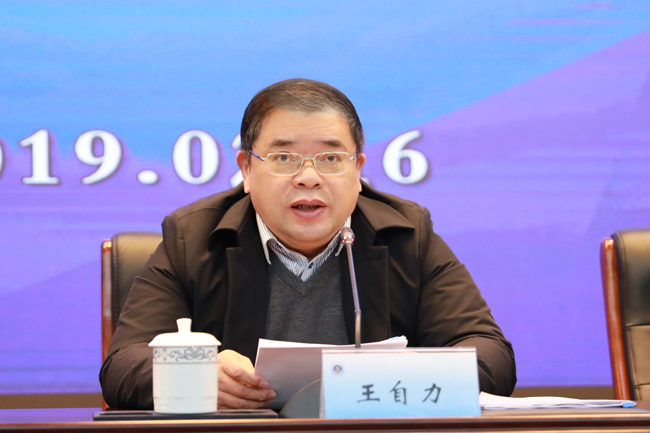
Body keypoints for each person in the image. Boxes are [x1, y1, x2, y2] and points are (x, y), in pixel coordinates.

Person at [99, 78, 516, 410]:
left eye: (331, 159)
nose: (309, 178)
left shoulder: (407, 235)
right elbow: (122, 367)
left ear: (358, 169)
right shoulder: (192, 238)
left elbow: (492, 359)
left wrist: (409, 373)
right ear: (246, 170)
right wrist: (198, 376)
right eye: (284, 159)